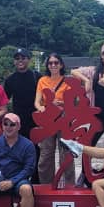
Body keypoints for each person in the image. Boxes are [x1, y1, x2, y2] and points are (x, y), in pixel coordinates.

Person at [34, 52, 76, 187]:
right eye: (50, 63)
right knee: (46, 153)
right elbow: (37, 102)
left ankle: (69, 185)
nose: (53, 65)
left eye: (56, 63)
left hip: (64, 118)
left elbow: (73, 102)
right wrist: (44, 109)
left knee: (66, 153)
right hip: (48, 118)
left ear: (61, 65)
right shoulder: (42, 81)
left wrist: (62, 104)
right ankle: (46, 185)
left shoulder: (67, 81)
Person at [3, 48, 41, 141]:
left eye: (23, 58)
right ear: (14, 61)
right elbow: (3, 100)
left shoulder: (37, 76)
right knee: (20, 148)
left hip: (35, 119)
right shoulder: (10, 80)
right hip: (18, 120)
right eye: (17, 58)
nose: (20, 60)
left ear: (28, 60)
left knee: (36, 148)